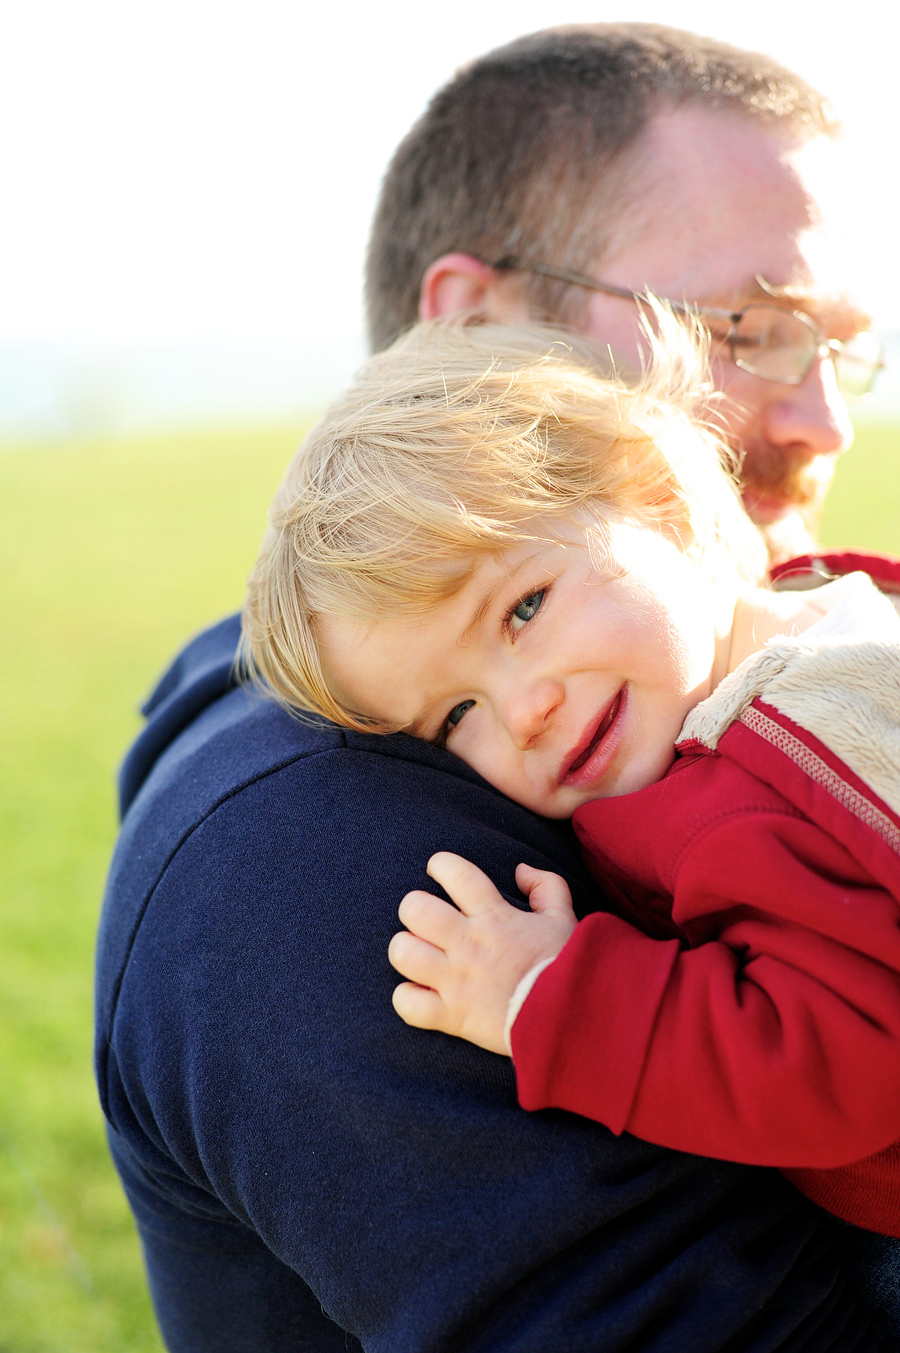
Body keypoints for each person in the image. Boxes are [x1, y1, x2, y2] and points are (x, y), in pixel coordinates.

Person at [96, 23, 891, 1352]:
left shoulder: (785, 666)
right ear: (477, 328)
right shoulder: (312, 849)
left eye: (836, 348)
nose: (824, 420)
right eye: (744, 330)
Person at [242, 315, 900, 1324]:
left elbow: (840, 1063)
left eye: (523, 608)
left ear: (660, 500)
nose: (522, 711)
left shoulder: (750, 787)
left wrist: (548, 995)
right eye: (454, 717)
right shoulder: (849, 602)